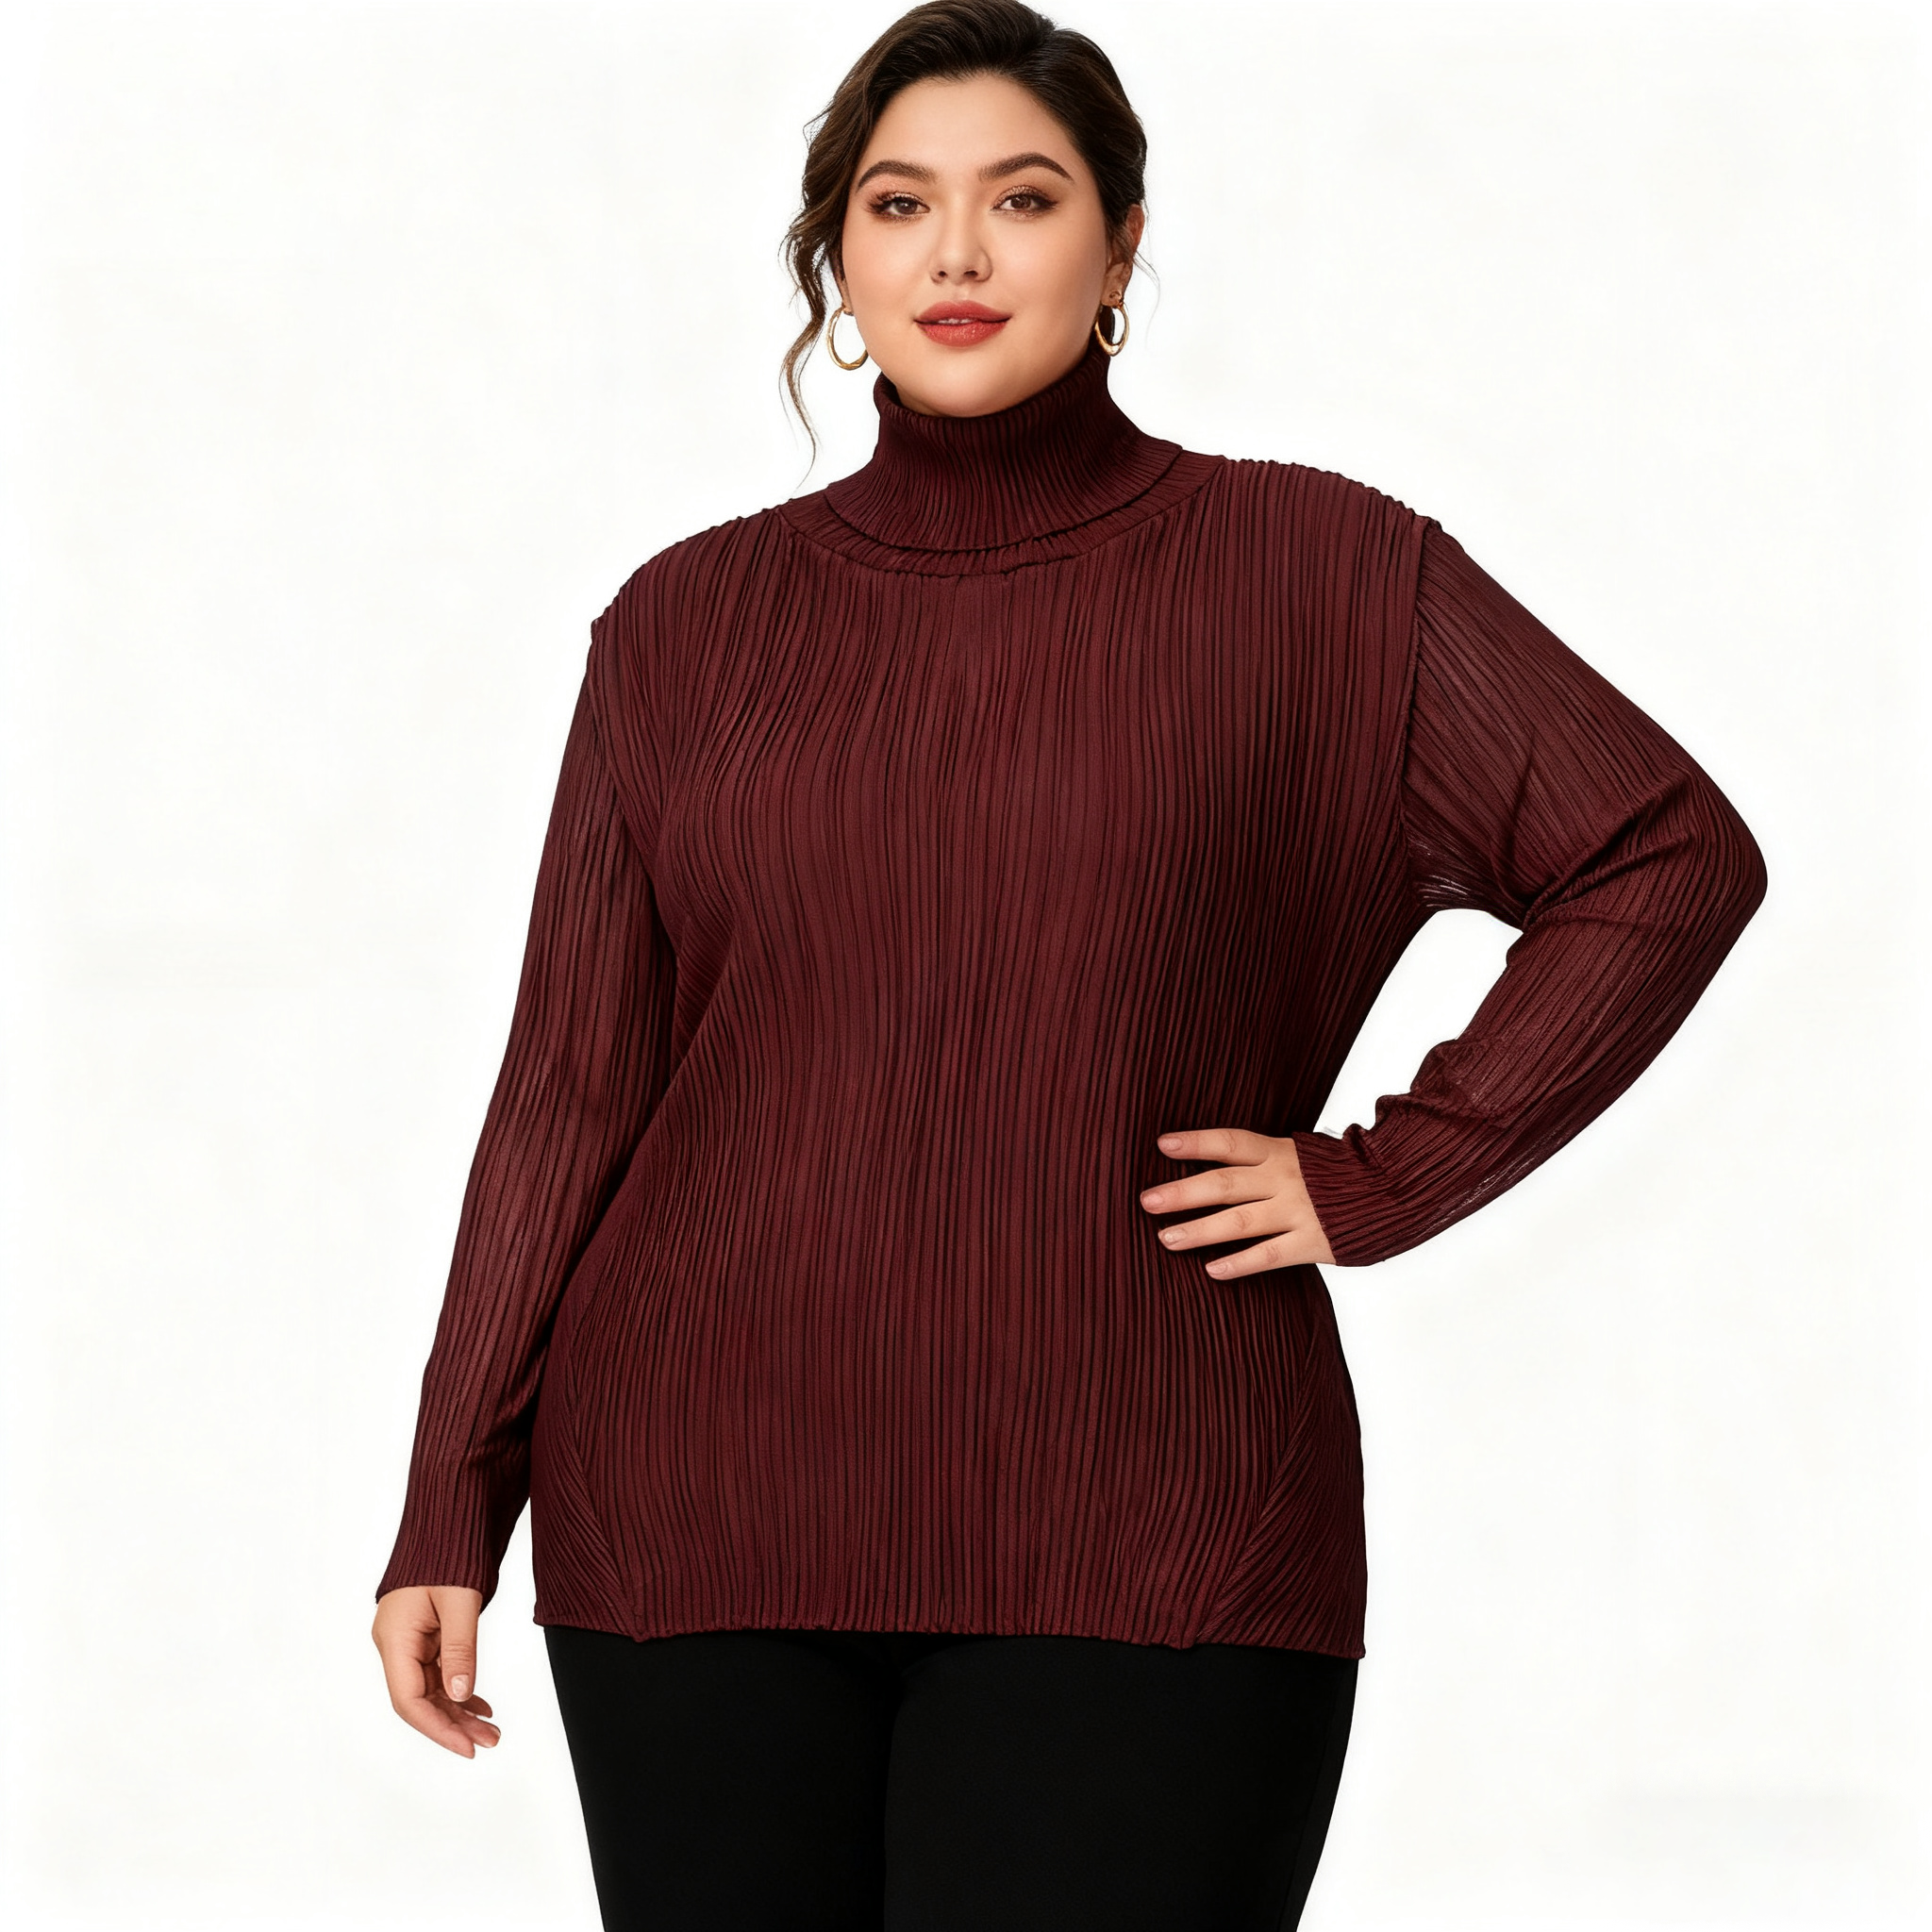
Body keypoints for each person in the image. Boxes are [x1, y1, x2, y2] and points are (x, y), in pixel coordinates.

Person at [370, 3, 1766, 1926]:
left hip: (1155, 1523)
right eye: (898, 204)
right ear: (835, 258)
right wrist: (450, 1495)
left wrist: (1385, 1176)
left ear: (1119, 250)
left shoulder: (1323, 577)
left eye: (1021, 200)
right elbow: (569, 1089)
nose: (956, 251)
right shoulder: (685, 626)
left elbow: (1662, 853)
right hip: (692, 1524)